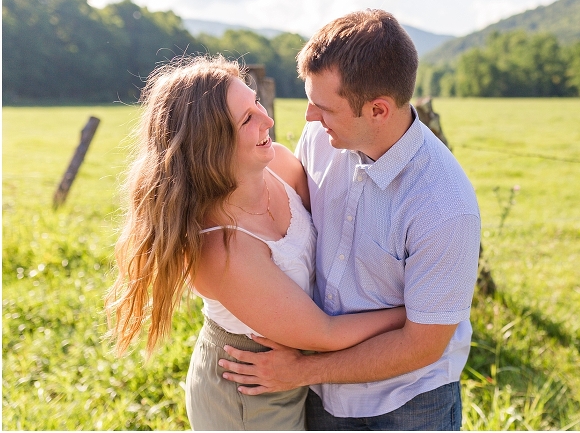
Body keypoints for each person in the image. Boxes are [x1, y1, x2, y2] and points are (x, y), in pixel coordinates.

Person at [105, 54, 406, 430]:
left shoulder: (277, 163)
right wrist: (415, 316)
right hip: (247, 395)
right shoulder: (222, 248)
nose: (268, 120)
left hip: (291, 374)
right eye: (247, 118)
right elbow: (326, 333)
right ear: (211, 144)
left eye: (256, 102)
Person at [219, 9, 481, 430]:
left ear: (378, 110)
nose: (308, 117)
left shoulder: (444, 207)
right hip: (320, 393)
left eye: (323, 107)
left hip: (408, 404)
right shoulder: (322, 138)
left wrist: (301, 372)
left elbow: (422, 346)